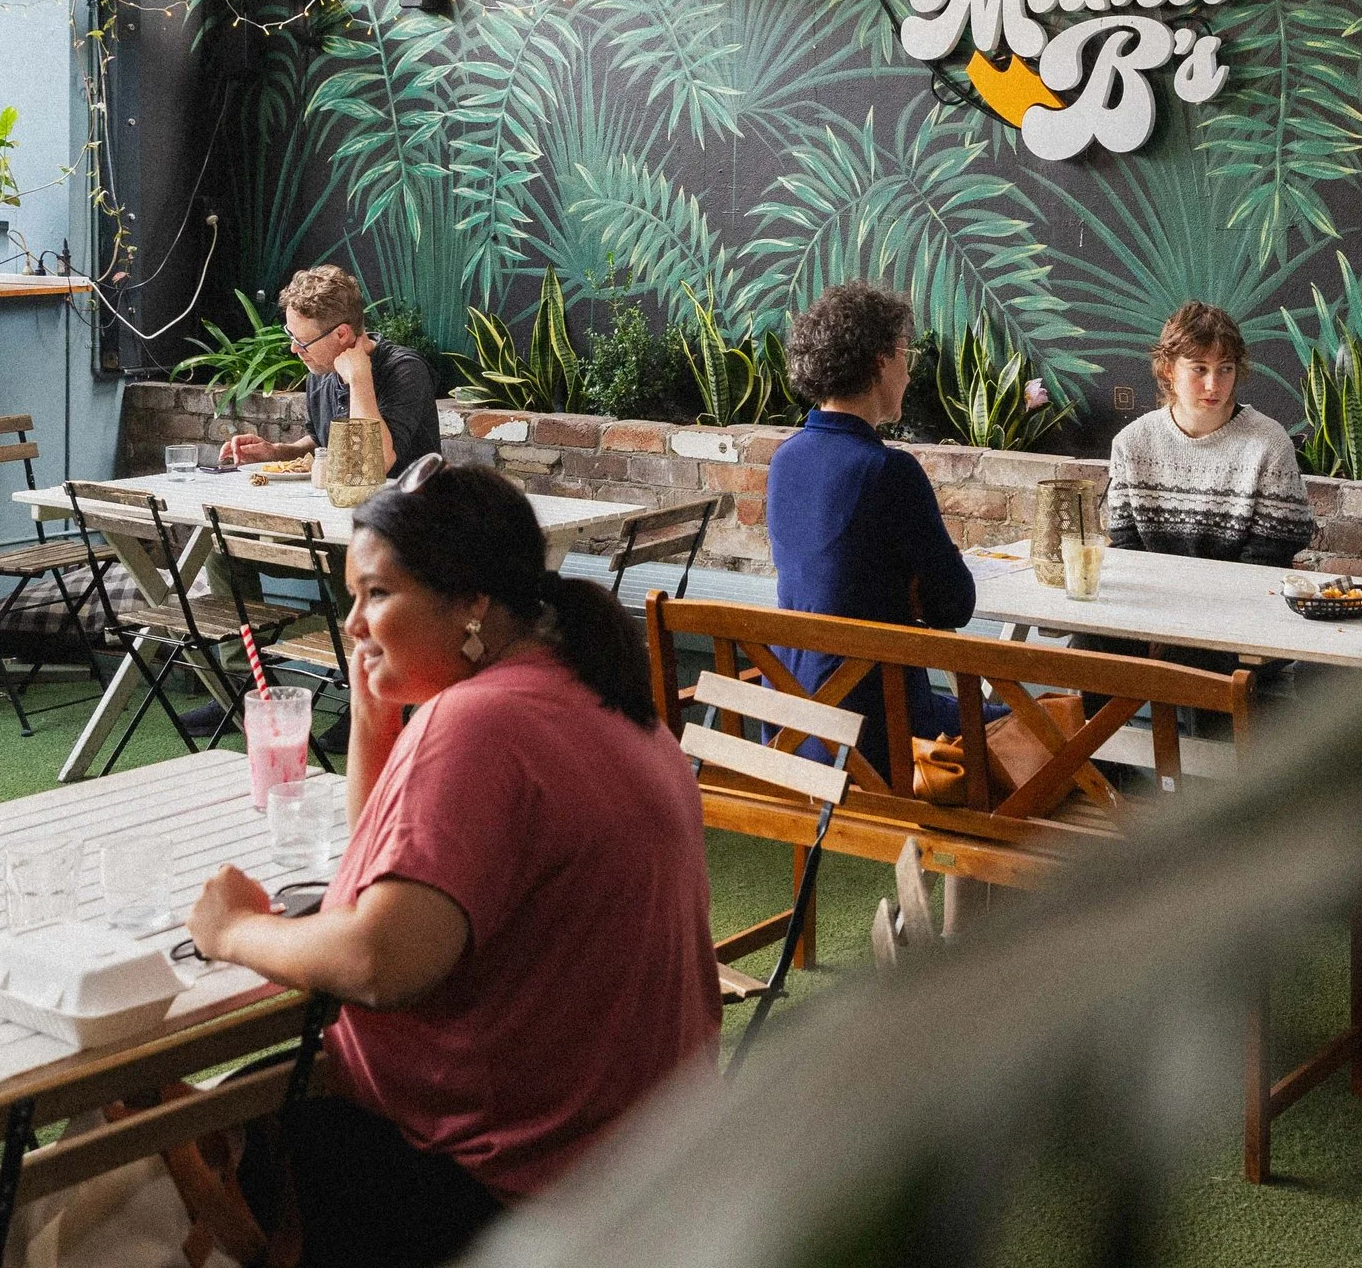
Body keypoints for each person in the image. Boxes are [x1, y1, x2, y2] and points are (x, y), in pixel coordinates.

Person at [183, 462, 717, 1266]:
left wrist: (233, 930)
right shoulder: (594, 693)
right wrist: (373, 718)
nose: (352, 622)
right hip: (645, 1174)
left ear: (470, 602)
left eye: (378, 593)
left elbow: (375, 958)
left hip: (509, 1197)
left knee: (179, 1129)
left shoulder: (480, 723)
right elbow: (390, 879)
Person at [766, 282, 975, 770]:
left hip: (793, 729)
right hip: (879, 738)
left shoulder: (785, 461)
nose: (909, 373)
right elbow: (955, 605)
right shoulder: (889, 471)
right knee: (1059, 729)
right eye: (907, 356)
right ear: (882, 360)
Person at [1103, 302, 1313, 566]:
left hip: (1246, 596)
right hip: (1154, 594)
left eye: (1225, 368)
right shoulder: (1131, 443)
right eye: (1199, 368)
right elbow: (1126, 544)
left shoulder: (1269, 442)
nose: (1213, 385)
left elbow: (1273, 547)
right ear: (1169, 369)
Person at [221, 265, 441, 476]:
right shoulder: (321, 369)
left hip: (405, 509)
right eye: (291, 335)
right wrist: (277, 452)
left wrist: (358, 379)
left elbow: (374, 466)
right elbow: (321, 444)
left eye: (303, 341)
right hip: (340, 507)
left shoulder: (406, 370)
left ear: (342, 334)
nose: (294, 348)